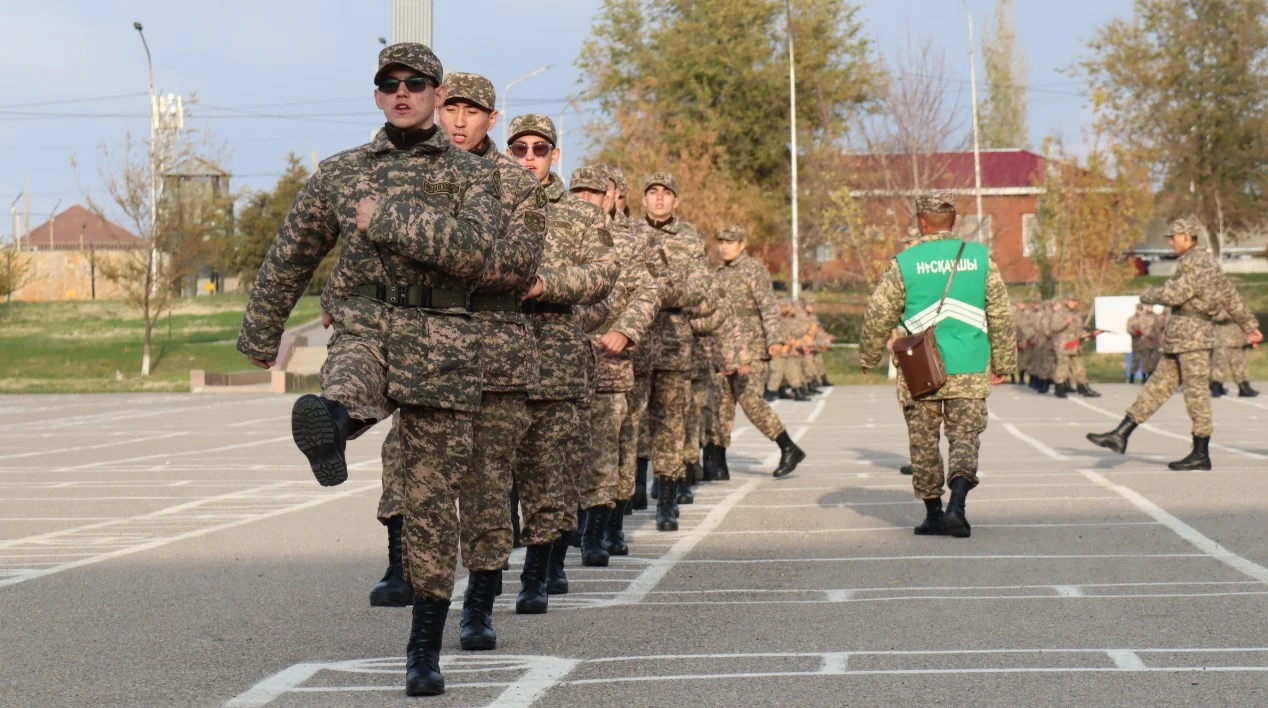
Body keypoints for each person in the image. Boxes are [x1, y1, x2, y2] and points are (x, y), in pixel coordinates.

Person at [238, 43, 502, 697]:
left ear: (440, 95)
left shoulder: (472, 177)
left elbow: (475, 253)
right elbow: (290, 254)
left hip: (444, 337)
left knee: (433, 506)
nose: (404, 92)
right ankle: (332, 427)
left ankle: (422, 649)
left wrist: (389, 218)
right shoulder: (341, 173)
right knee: (346, 383)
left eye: (418, 83)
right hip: (367, 322)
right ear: (378, 96)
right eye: (391, 83)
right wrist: (261, 331)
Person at [363, 72, 547, 655]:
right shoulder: (413, 175)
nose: (460, 121)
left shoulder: (514, 184)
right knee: (424, 490)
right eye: (453, 109)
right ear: (439, 109)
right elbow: (374, 256)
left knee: (489, 490)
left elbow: (513, 266)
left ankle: (481, 606)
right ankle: (420, 609)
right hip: (424, 358)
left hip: (495, 359)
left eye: (475, 112)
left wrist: (431, 251)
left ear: (493, 120)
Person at [504, 114, 618, 609]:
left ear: (555, 155)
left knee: (549, 476)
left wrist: (547, 284)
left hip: (556, 363)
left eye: (539, 149)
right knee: (495, 477)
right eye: (520, 149)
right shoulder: (486, 205)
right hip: (495, 361)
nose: (529, 157)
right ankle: (486, 588)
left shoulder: (581, 216)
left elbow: (603, 276)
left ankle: (537, 573)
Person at [858, 191, 1016, 538]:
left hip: (921, 369)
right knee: (965, 438)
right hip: (969, 365)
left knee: (923, 442)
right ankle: (957, 505)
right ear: (955, 221)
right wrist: (1004, 360)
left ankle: (933, 514)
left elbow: (878, 314)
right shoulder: (979, 258)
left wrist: (868, 355)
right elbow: (1001, 314)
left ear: (922, 222)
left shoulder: (905, 262)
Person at [1087, 218, 1262, 470]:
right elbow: (1231, 296)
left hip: (1193, 338)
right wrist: (1250, 325)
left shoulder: (1194, 263)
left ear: (1185, 237)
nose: (1170, 242)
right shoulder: (1208, 263)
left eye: (1173, 237)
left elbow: (1174, 294)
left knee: (1196, 394)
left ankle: (1200, 453)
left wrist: (1148, 294)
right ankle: (1120, 434)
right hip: (1182, 338)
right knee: (1157, 387)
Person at [570, 164, 660, 565]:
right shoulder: (550, 233)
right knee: (561, 452)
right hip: (559, 366)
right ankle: (561, 529)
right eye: (580, 193)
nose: (588, 201)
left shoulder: (630, 240)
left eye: (596, 193)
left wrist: (625, 330)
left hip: (610, 363)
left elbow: (650, 290)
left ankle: (599, 531)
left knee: (606, 451)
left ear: (610, 198)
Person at [640, 172, 711, 531]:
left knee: (670, 423)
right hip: (634, 341)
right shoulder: (630, 234)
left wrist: (662, 294)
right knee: (632, 422)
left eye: (666, 193)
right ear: (643, 199)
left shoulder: (689, 240)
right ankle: (629, 493)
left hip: (672, 339)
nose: (658, 199)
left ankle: (667, 499)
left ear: (676, 201)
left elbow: (701, 287)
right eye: (652, 193)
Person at [711, 225, 807, 480]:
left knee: (751, 401)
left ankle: (788, 447)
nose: (724, 246)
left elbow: (768, 306)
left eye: (730, 241)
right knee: (721, 406)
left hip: (752, 348)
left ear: (742, 244)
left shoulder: (754, 270)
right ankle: (718, 464)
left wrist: (774, 339)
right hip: (723, 349)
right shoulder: (717, 273)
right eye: (721, 241)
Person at [1050, 295, 1101, 398]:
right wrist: (1066, 322)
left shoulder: (1076, 313)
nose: (1074, 303)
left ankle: (1083, 387)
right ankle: (1059, 388)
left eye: (1075, 301)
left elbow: (1078, 328)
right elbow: (1054, 327)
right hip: (1064, 345)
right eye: (1072, 301)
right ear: (1067, 301)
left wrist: (1086, 334)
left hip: (1075, 344)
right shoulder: (1060, 313)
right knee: (1063, 368)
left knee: (1079, 367)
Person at [1210, 307, 1260, 398]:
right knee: (1219, 364)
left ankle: (1244, 387)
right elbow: (1215, 316)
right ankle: (1216, 386)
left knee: (1239, 364)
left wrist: (1251, 333)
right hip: (1222, 338)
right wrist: (1231, 312)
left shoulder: (1236, 301)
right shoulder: (1217, 301)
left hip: (1237, 337)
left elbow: (1247, 315)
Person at [1126, 302, 1149, 384]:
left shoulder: (1146, 319)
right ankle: (1132, 377)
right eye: (1138, 309)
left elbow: (1150, 328)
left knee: (1145, 360)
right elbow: (1128, 328)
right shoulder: (1131, 319)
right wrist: (1134, 332)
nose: (1140, 311)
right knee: (1135, 360)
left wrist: (1145, 333)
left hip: (1145, 342)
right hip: (1136, 342)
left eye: (1141, 310)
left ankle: (1144, 377)